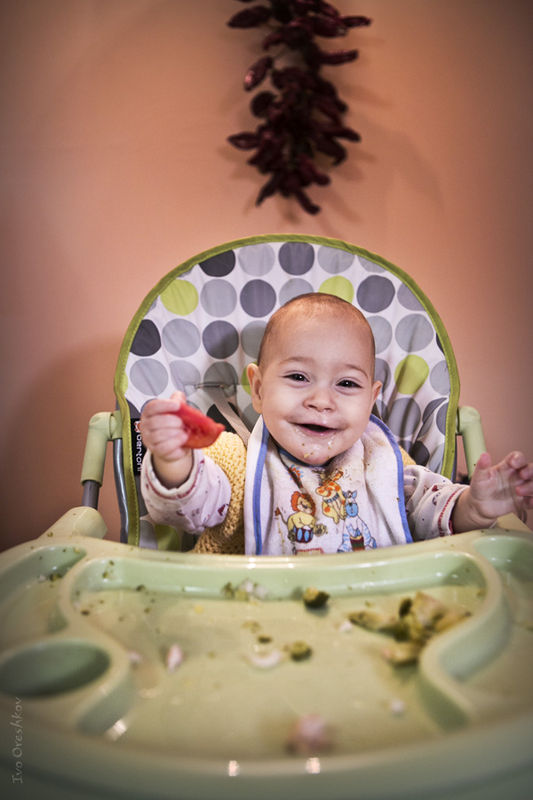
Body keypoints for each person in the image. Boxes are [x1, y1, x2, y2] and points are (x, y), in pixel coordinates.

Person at [139, 294, 533, 555]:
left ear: (371, 399)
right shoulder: (237, 460)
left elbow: (432, 510)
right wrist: (174, 459)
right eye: (298, 377)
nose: (322, 401)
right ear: (258, 389)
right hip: (263, 618)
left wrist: (474, 507)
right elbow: (187, 507)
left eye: (346, 384)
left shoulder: (383, 461)